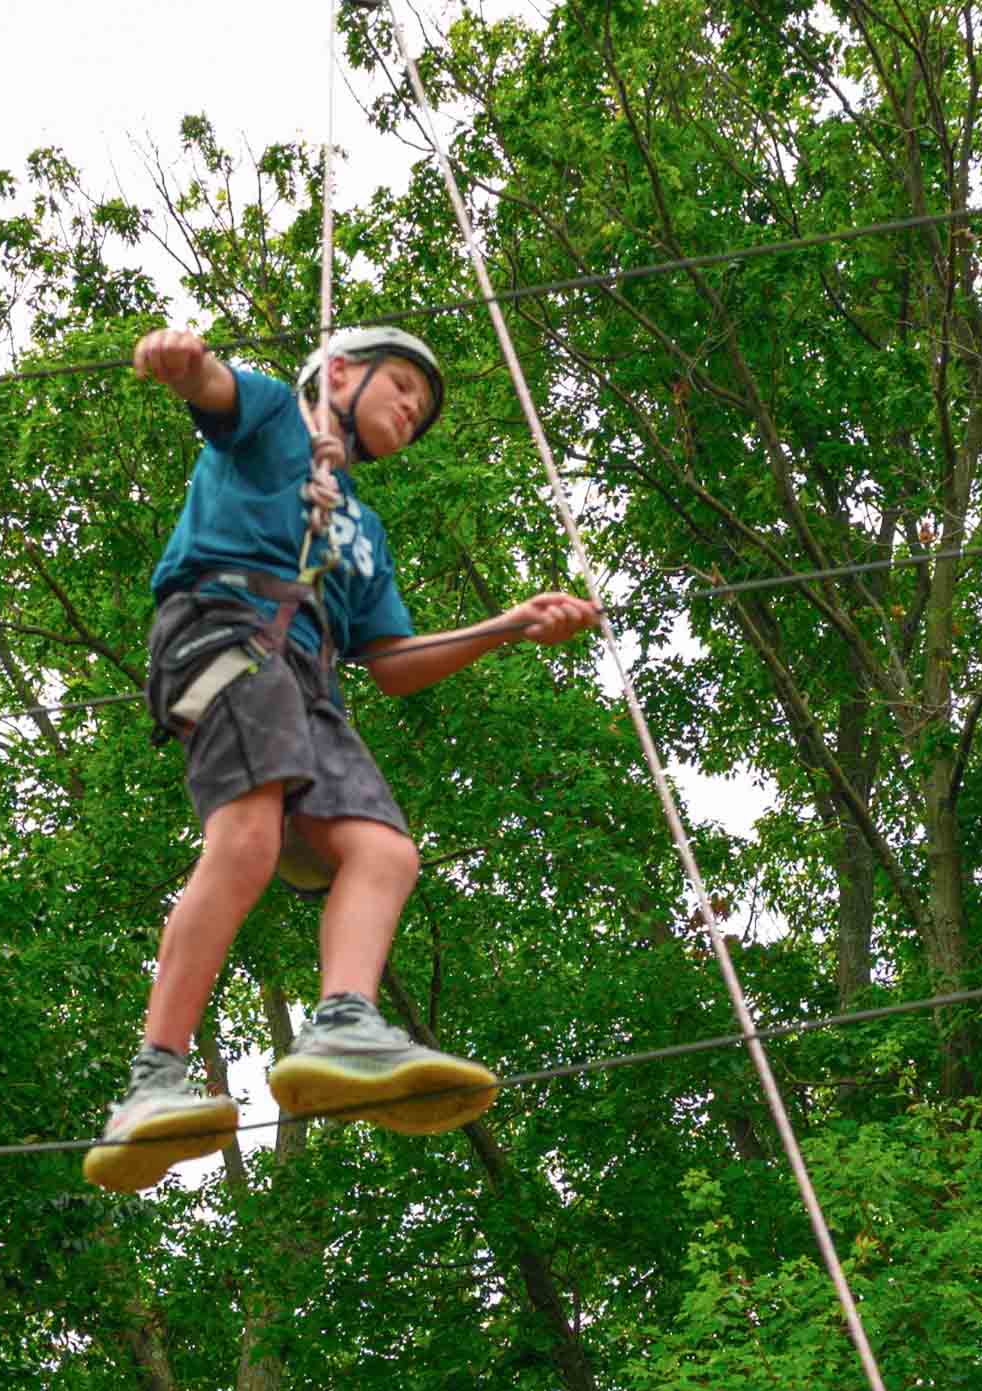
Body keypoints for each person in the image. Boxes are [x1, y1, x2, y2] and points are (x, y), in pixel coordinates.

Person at [84, 323, 601, 1192]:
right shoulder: (279, 424)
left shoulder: (363, 526)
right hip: (226, 628)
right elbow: (214, 391)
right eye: (403, 388)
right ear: (344, 372)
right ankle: (153, 1079)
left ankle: (343, 1024)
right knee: (244, 839)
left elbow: (392, 664)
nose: (411, 411)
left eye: (423, 410)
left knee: (385, 851)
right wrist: (185, 363)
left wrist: (505, 627)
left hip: (310, 676)